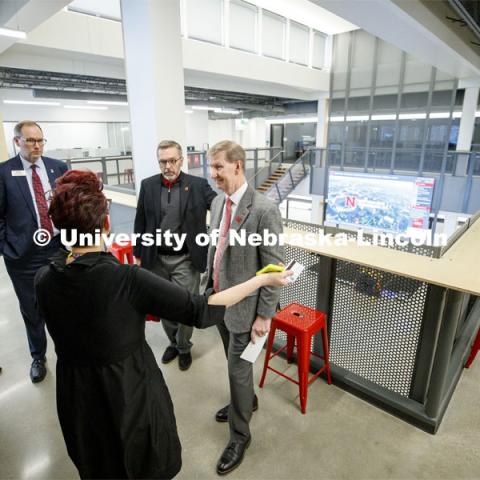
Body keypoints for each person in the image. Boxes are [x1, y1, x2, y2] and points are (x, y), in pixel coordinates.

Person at [34, 170, 291, 480]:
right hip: (129, 393)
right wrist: (261, 279)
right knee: (141, 461)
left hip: (77, 397)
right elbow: (201, 310)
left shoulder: (43, 280)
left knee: (98, 462)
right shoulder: (126, 281)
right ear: (105, 224)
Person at [204, 140, 284, 475]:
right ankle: (246, 400)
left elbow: (274, 270)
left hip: (248, 311)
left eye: (218, 167)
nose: (213, 174)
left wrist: (264, 316)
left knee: (237, 371)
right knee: (234, 366)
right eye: (211, 167)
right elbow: (215, 246)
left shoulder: (263, 210)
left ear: (238, 165)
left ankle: (240, 435)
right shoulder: (218, 201)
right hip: (220, 302)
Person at [134, 140, 216, 371]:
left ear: (182, 160)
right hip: (156, 257)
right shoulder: (148, 185)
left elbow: (219, 206)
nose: (168, 166)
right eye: (163, 161)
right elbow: (140, 220)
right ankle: (173, 342)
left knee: (185, 307)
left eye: (172, 160)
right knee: (163, 305)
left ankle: (184, 346)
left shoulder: (198, 185)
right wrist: (138, 253)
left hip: (186, 259)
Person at [0, 120, 68, 382]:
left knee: (63, 303)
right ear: (17, 141)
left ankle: (66, 350)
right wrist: (8, 247)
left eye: (40, 140)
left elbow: (66, 205)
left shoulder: (57, 167)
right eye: (30, 140)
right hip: (23, 256)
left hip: (57, 247)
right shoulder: (5, 172)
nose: (37, 145)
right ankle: (38, 357)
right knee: (32, 308)